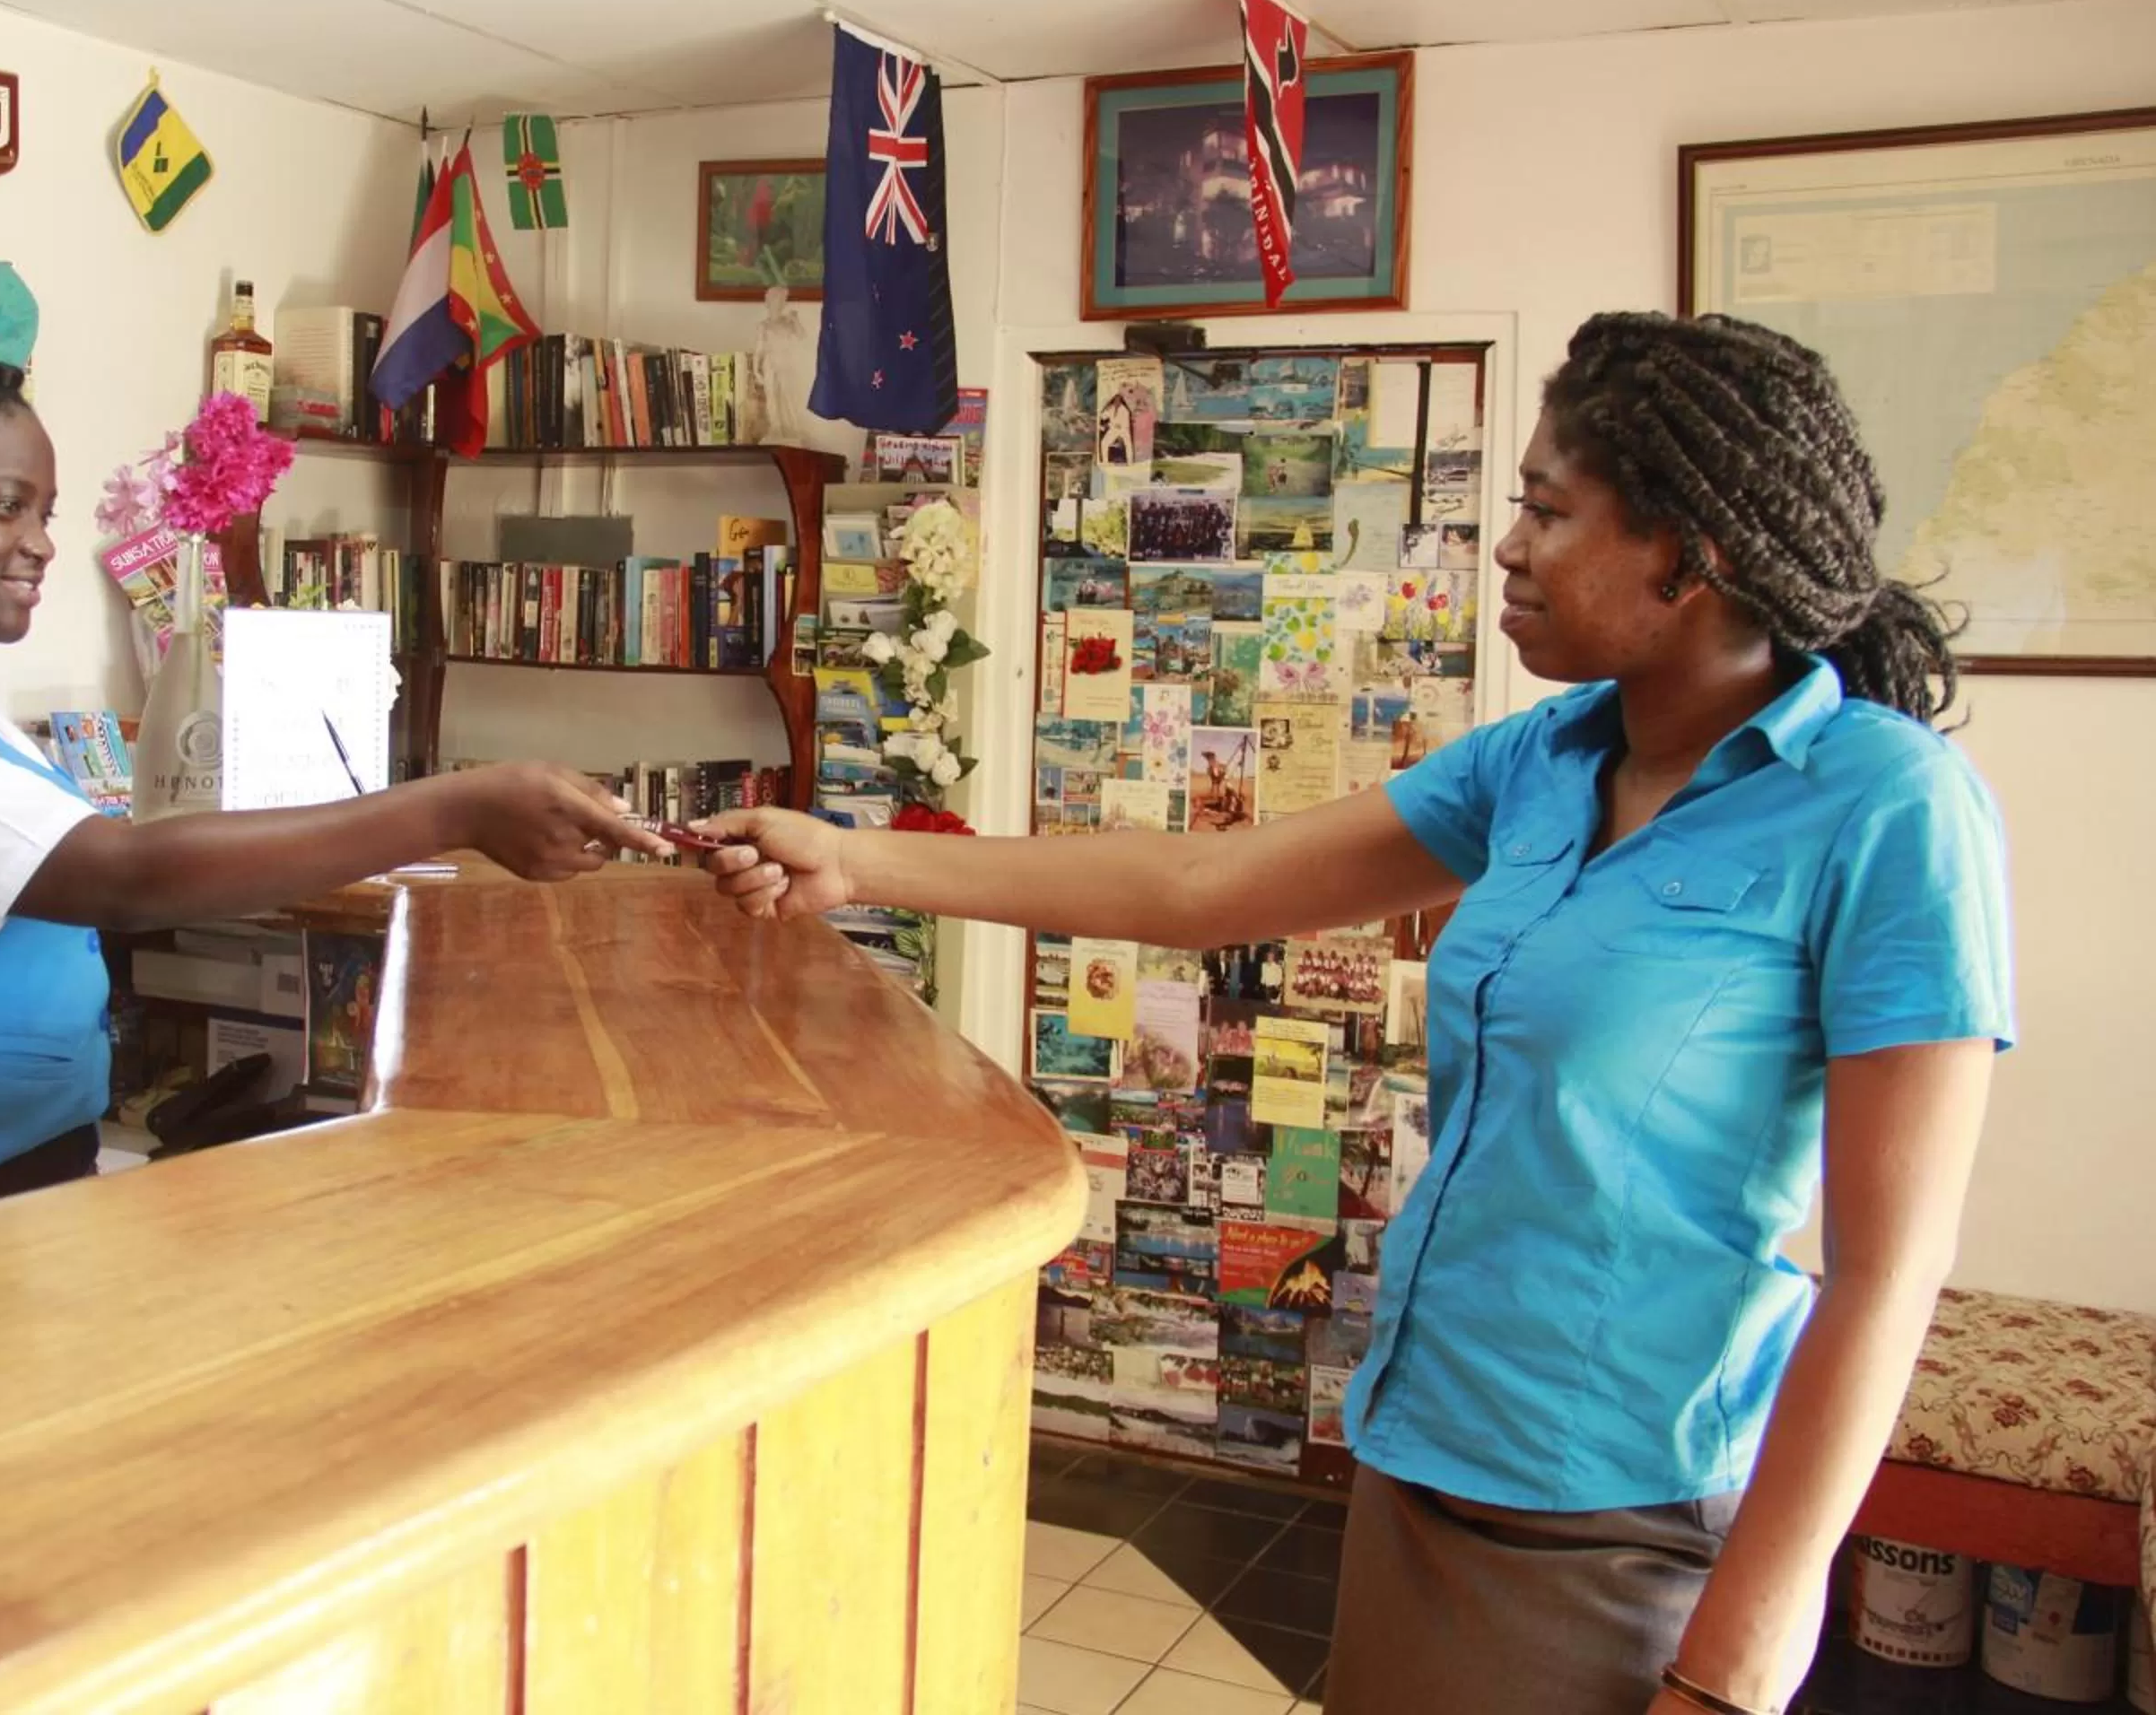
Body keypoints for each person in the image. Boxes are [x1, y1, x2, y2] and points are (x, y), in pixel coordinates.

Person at [699, 312, 2012, 1715]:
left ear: (1692, 557)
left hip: (1623, 1520)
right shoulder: (1544, 761)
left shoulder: (1886, 807)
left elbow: (1888, 1273)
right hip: (1416, 1453)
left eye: (1548, 511)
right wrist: (853, 860)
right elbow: (1203, 885)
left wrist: (1738, 1662)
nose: (1506, 547)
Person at [0, 359, 663, 1268]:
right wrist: (455, 808)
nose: (41, 542)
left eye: (45, 512)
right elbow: (116, 876)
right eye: (6, 505)